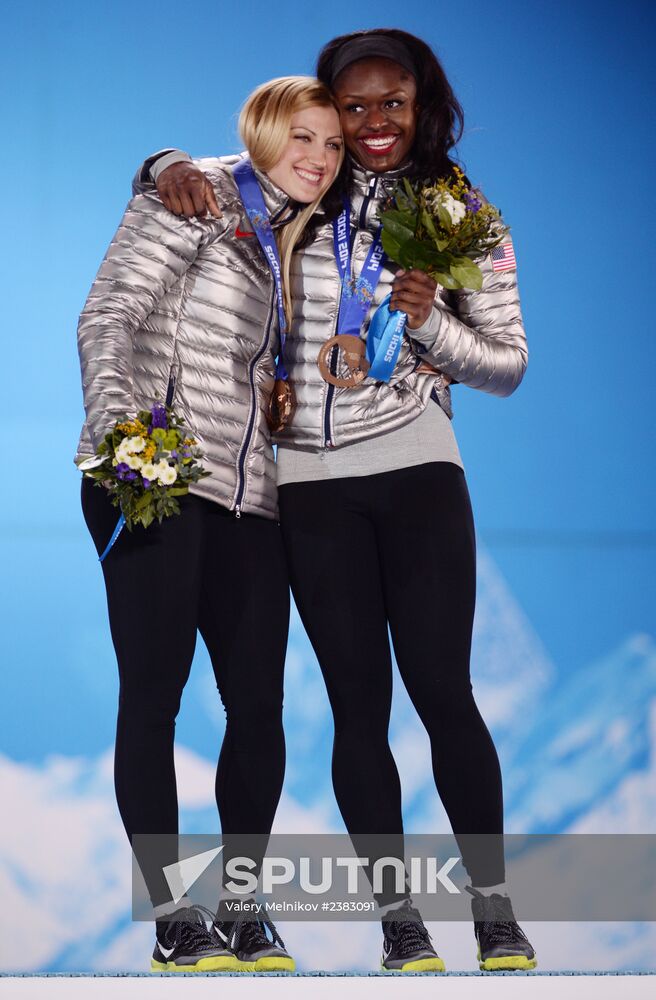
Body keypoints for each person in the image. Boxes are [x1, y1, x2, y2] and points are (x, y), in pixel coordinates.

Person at [134, 28, 537, 974]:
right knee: (359, 709)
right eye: (351, 107)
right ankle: (401, 927)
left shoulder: (462, 213)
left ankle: (496, 915)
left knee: (444, 693)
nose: (369, 125)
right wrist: (157, 161)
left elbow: (510, 366)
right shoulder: (295, 180)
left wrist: (431, 322)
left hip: (420, 470)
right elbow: (189, 178)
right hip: (308, 484)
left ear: (423, 101)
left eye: (389, 103)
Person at [75, 76, 343, 973]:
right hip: (152, 472)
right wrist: (126, 438)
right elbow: (107, 317)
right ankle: (171, 918)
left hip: (249, 498)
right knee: (154, 696)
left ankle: (243, 909)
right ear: (265, 134)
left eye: (333, 146)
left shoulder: (303, 238)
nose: (318, 158)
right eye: (302, 138)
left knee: (258, 705)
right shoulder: (195, 193)